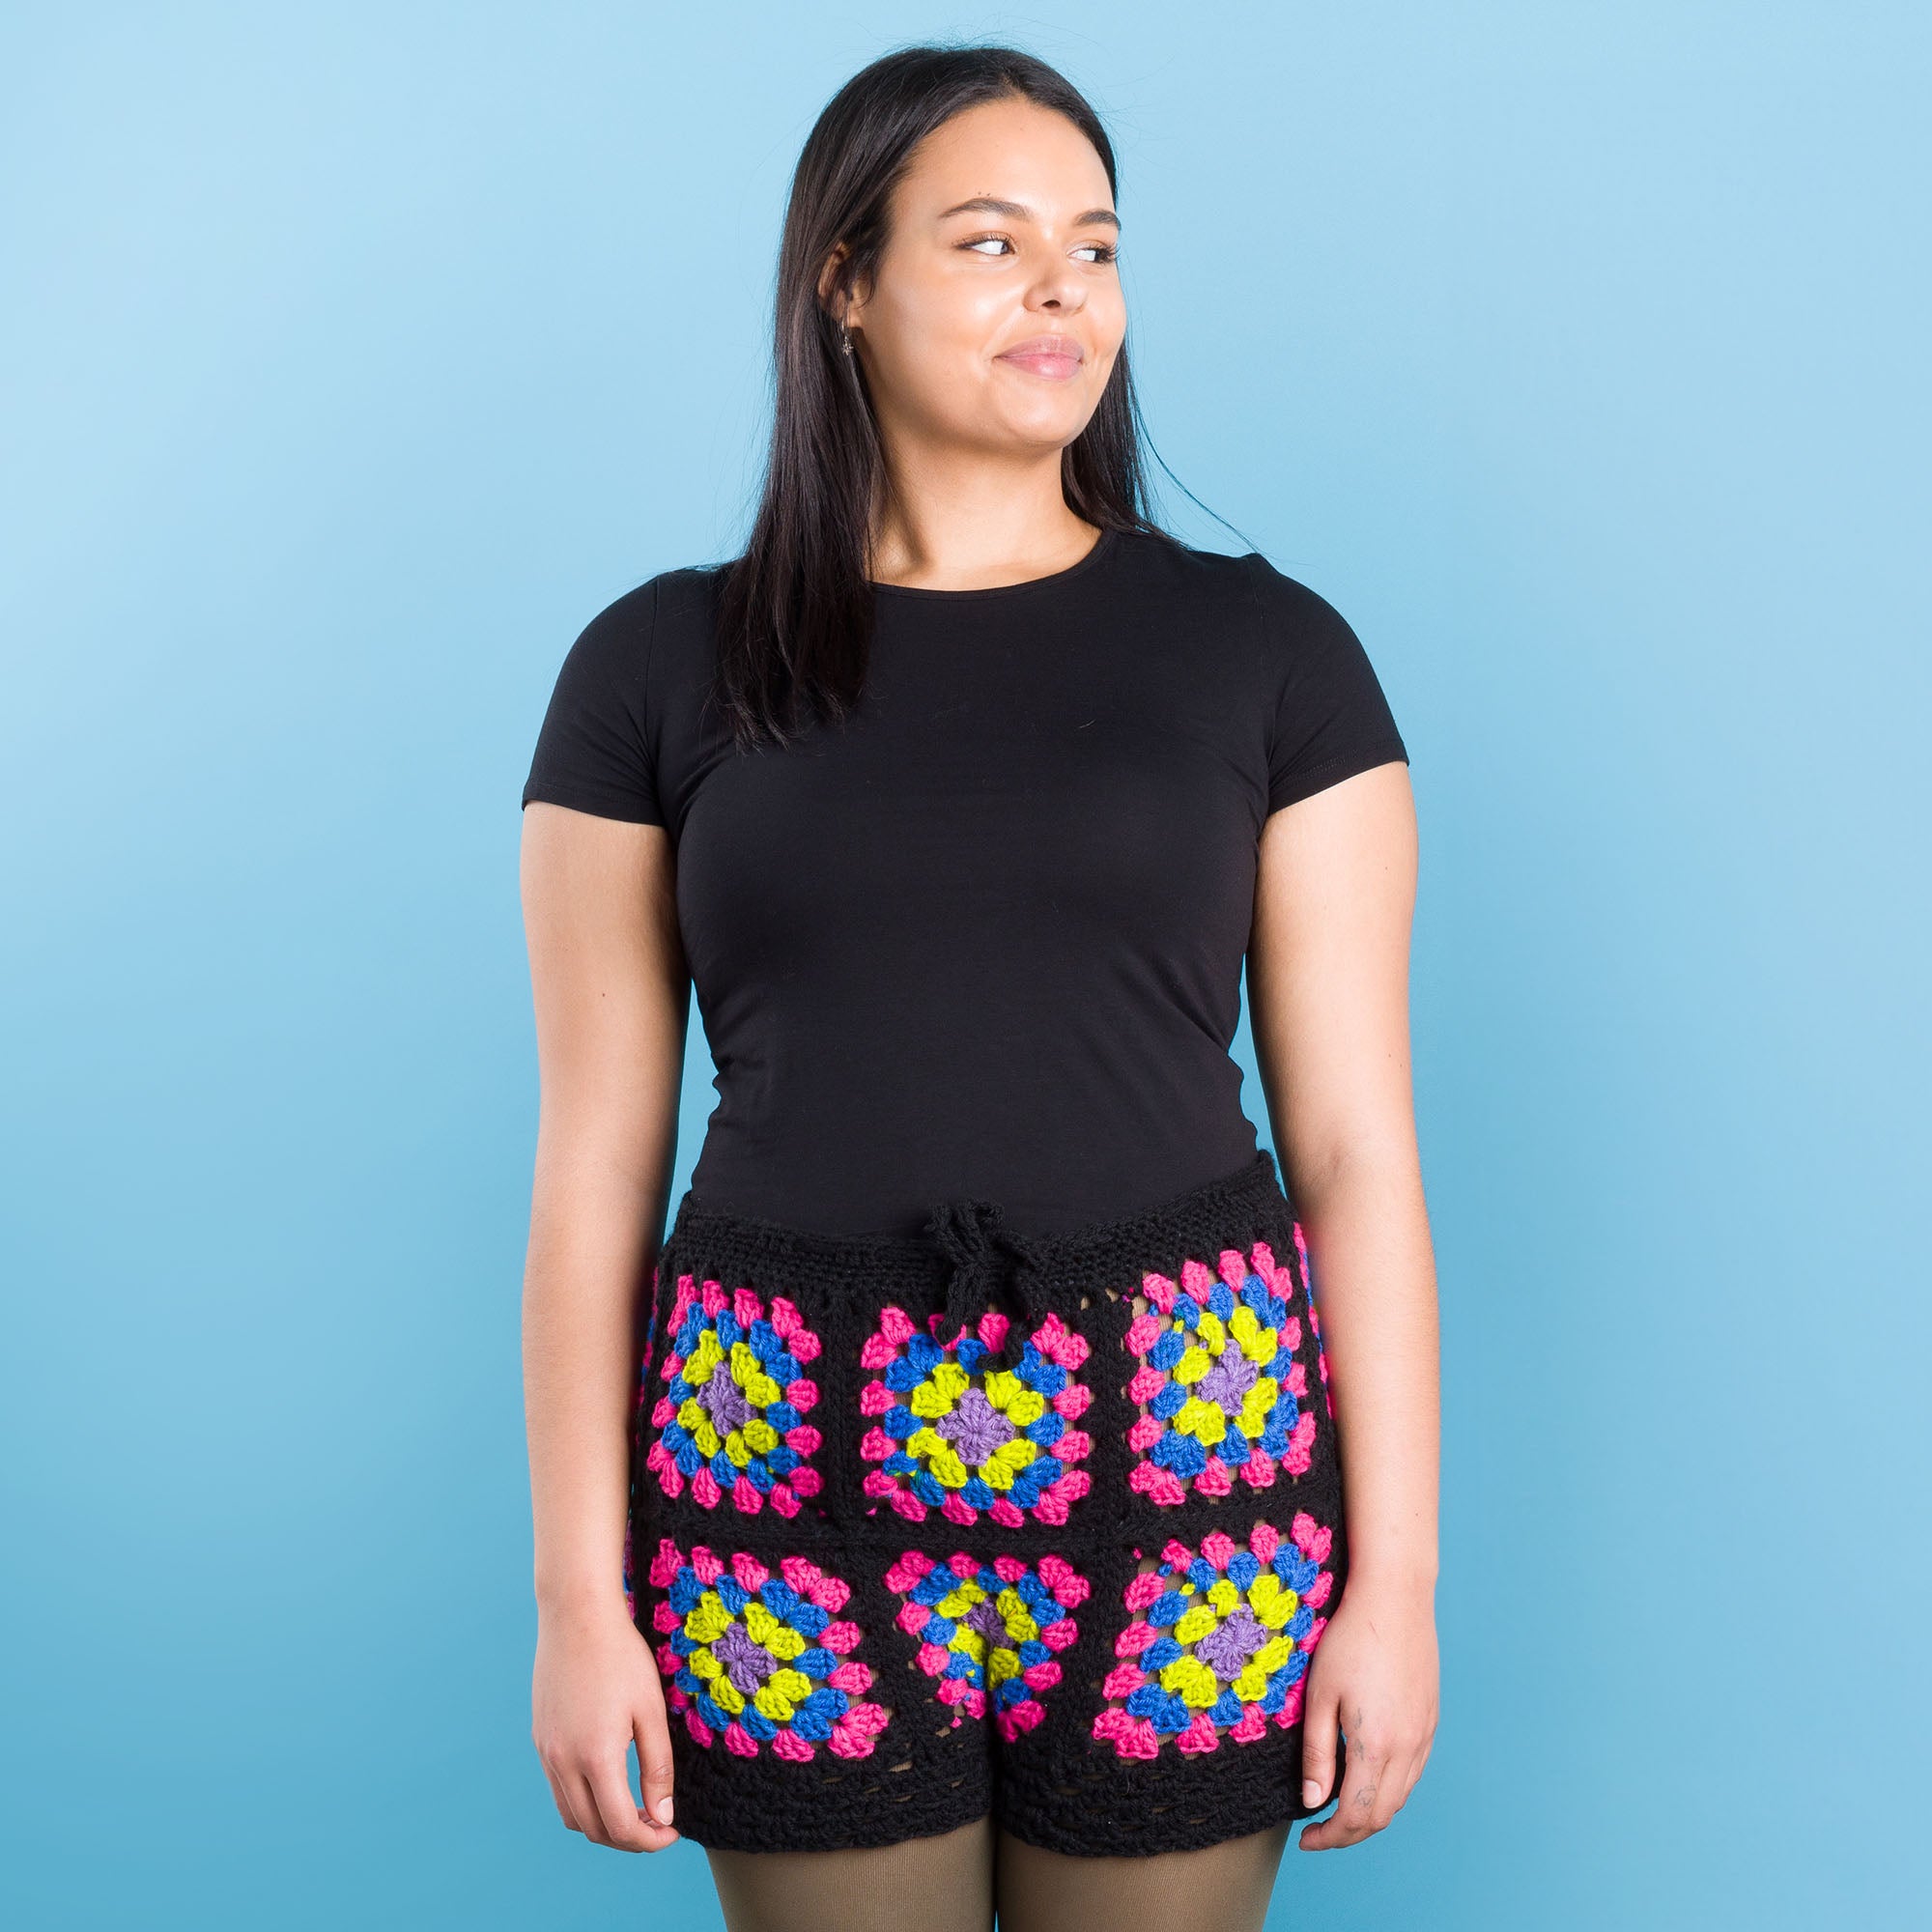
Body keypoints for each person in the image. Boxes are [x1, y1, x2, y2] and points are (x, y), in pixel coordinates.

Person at [518, 43, 1439, 1932]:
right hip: (773, 1466)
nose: (1062, 293)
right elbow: (594, 1167)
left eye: (1095, 247)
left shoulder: (1274, 658)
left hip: (1193, 1462)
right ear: (843, 284)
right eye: (992, 241)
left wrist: (1398, 1585)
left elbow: (1355, 1148)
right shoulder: (654, 668)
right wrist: (576, 1601)